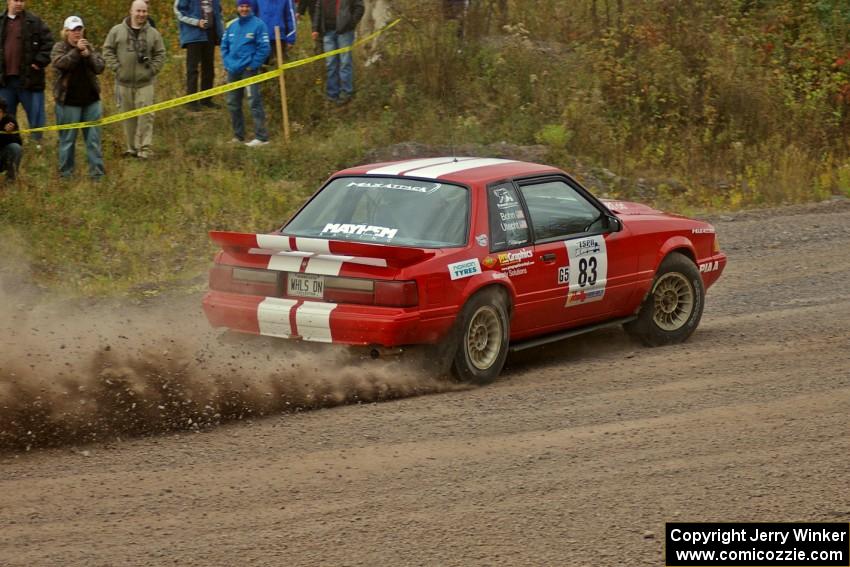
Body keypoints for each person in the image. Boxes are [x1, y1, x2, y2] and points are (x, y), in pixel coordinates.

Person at [103, 0, 166, 159]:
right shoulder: (117, 31)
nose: (141, 14)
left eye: (144, 11)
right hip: (123, 83)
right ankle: (131, 149)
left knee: (146, 116)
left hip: (145, 83)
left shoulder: (153, 33)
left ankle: (144, 149)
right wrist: (117, 68)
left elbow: (160, 54)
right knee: (128, 117)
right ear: (131, 11)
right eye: (138, 11)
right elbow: (107, 50)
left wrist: (152, 70)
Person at [51, 16, 105, 179]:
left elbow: (100, 67)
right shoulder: (59, 47)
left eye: (79, 29)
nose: (77, 33)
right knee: (67, 141)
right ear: (66, 32)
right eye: (74, 30)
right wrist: (77, 52)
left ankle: (97, 175)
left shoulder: (89, 46)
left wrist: (88, 55)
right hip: (68, 103)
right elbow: (61, 64)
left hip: (91, 101)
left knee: (94, 140)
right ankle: (66, 175)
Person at [0, 0, 53, 148]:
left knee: (36, 117)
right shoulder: (1, 22)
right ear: (8, 1)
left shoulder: (34, 22)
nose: (19, 3)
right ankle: (10, 148)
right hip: (5, 82)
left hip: (29, 80)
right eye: (16, 0)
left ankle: (37, 147)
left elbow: (49, 43)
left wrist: (39, 61)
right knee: (6, 119)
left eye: (22, 0)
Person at [222, 0, 270, 146]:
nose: (244, 9)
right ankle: (238, 136)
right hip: (233, 71)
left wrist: (253, 65)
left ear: (251, 8)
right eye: (241, 6)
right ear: (237, 7)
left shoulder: (259, 24)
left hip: (249, 71)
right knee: (232, 103)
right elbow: (224, 47)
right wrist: (228, 63)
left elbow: (264, 48)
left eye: (246, 6)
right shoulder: (231, 25)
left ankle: (261, 137)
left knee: (254, 101)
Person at [311, 0, 364, 104]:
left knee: (345, 63)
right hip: (327, 32)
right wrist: (315, 28)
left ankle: (346, 92)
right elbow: (318, 9)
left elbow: (359, 7)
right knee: (330, 63)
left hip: (345, 32)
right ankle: (332, 94)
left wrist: (351, 23)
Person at [174, 0, 223, 110]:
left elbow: (219, 13)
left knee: (209, 68)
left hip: (210, 34)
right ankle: (191, 101)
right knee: (192, 69)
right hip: (193, 35)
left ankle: (206, 100)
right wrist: (196, 22)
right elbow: (178, 11)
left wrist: (221, 33)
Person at [0, 97, 22, 181]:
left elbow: (19, 142)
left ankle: (10, 179)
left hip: (2, 156)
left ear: (3, 113)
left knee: (16, 148)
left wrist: (8, 133)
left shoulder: (10, 121)